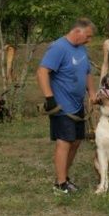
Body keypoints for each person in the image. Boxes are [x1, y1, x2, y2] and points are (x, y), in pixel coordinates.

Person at [37, 18, 98, 194]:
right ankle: (60, 184)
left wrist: (92, 93)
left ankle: (63, 177)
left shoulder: (81, 48)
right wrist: (49, 98)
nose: (89, 40)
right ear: (77, 32)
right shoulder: (58, 47)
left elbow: (87, 72)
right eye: (88, 36)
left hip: (77, 105)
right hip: (62, 106)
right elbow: (42, 72)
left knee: (77, 141)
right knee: (64, 142)